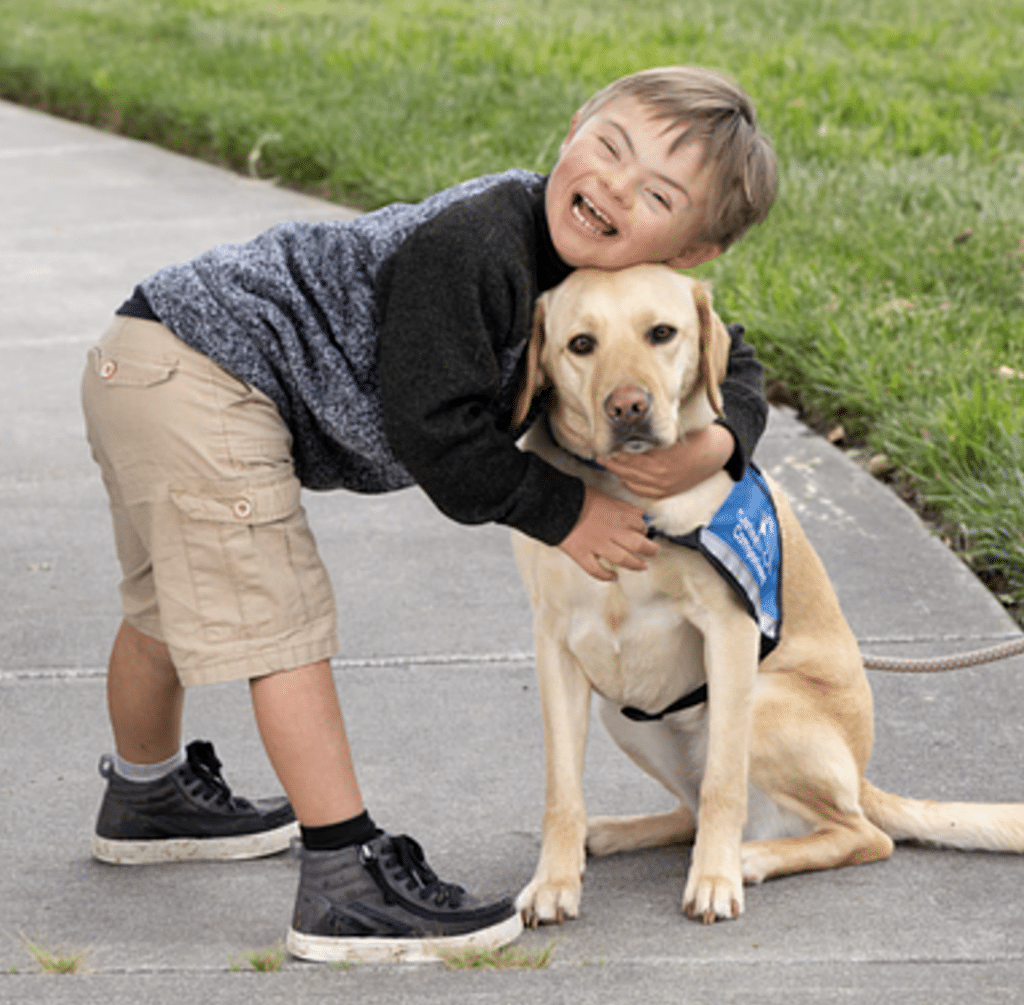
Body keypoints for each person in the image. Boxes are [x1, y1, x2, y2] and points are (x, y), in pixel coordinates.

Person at [80, 65, 778, 962]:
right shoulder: (484, 247)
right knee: (279, 620)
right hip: (209, 373)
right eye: (608, 147)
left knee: (164, 604)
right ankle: (344, 880)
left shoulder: (610, 286)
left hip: (147, 356)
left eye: (655, 192)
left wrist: (718, 444)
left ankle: (148, 793)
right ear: (571, 130)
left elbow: (739, 356)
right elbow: (435, 436)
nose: (611, 185)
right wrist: (566, 512)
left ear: (686, 253)